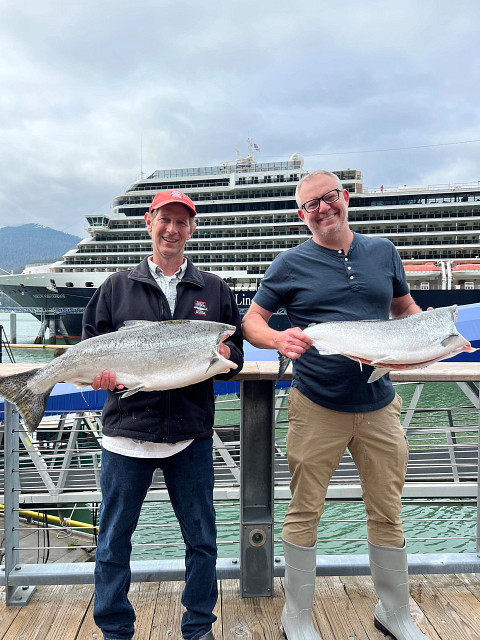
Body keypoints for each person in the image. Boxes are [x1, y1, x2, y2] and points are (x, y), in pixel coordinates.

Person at [242, 170, 430, 640]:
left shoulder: (383, 251)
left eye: (329, 198)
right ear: (301, 216)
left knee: (387, 509)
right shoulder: (288, 264)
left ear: (344, 198)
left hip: (379, 403)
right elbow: (252, 323)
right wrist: (276, 340)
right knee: (306, 509)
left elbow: (404, 310)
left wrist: (427, 333)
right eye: (311, 205)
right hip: (316, 405)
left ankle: (395, 614)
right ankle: (297, 617)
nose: (323, 209)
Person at [82, 189, 244, 640]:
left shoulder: (214, 289)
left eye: (182, 222)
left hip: (189, 436)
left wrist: (229, 352)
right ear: (149, 223)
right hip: (125, 437)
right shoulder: (116, 286)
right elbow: (91, 341)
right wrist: (99, 375)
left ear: (192, 229)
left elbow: (238, 354)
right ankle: (114, 630)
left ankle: (197, 628)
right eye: (165, 220)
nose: (172, 230)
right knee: (113, 542)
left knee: (202, 541)